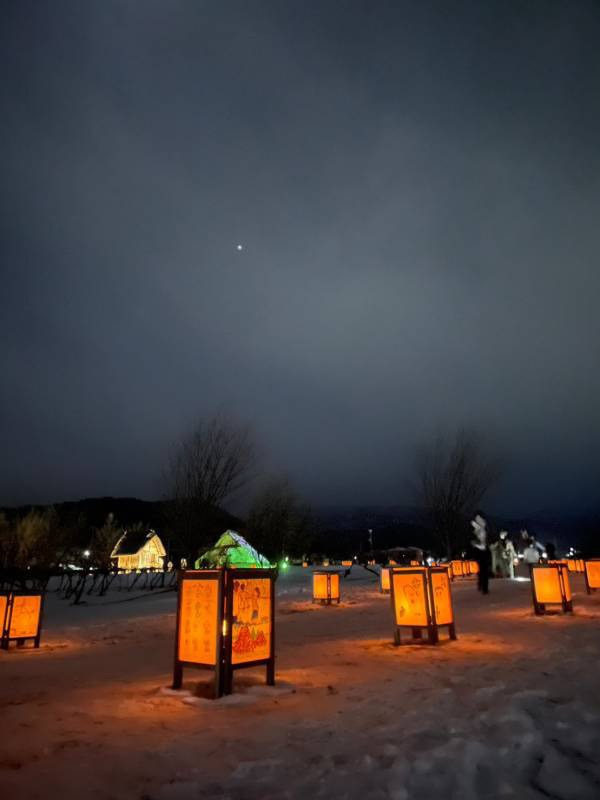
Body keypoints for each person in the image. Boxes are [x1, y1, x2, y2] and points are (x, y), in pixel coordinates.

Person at [471, 512, 492, 594]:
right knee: (483, 570)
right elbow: (482, 544)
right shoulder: (480, 531)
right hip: (482, 552)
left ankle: (482, 585)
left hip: (480, 552)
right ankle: (484, 587)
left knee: (482, 570)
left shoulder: (479, 531)